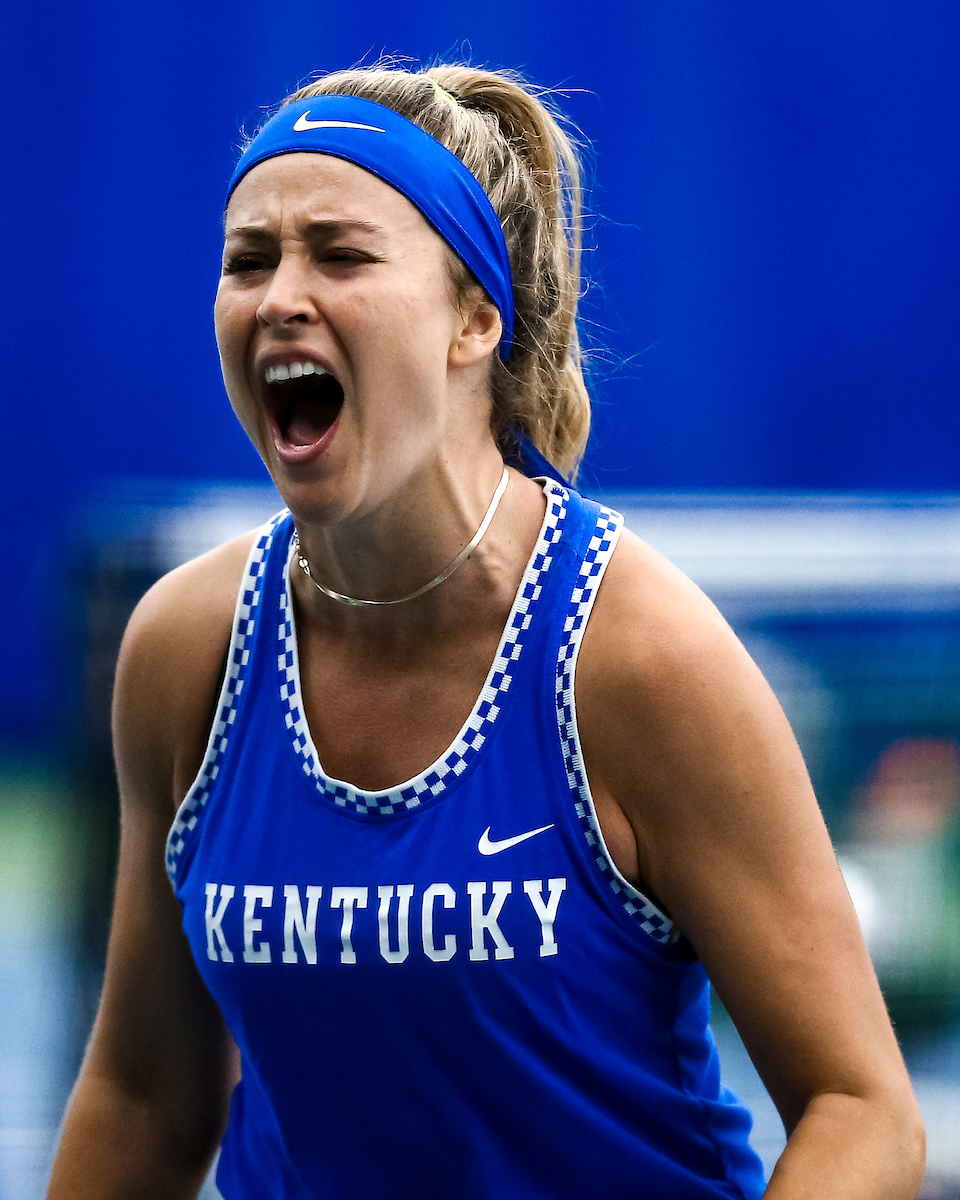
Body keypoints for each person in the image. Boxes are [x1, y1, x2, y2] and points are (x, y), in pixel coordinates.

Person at [47, 64, 924, 1199]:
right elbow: (146, 1101)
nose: (277, 298)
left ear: (475, 316)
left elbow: (864, 1115)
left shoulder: (638, 658)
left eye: (340, 255)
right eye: (248, 260)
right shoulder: (187, 649)